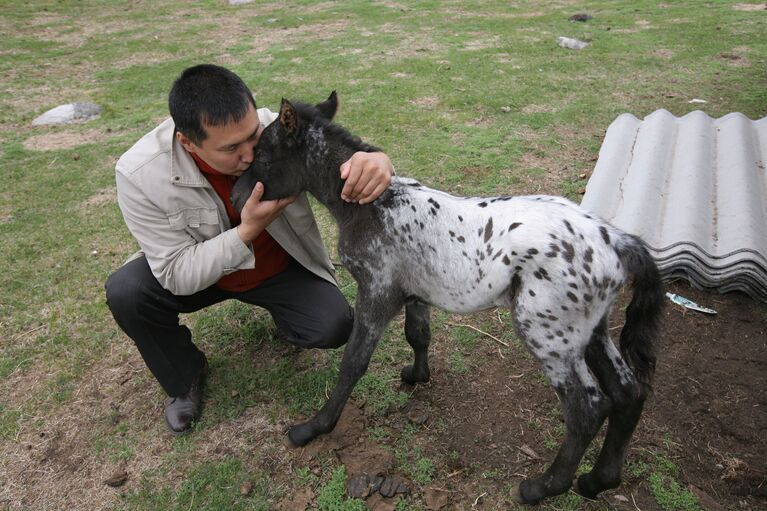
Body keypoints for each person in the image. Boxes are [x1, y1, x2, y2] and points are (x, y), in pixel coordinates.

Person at [105, 64, 393, 435]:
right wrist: (248, 231)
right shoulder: (138, 173)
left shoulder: (275, 129)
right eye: (230, 149)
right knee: (127, 291)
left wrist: (378, 160)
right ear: (187, 142)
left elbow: (345, 155)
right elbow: (176, 272)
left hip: (277, 268)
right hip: (198, 274)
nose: (248, 154)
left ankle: (285, 318)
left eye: (252, 136)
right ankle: (184, 378)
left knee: (334, 324)